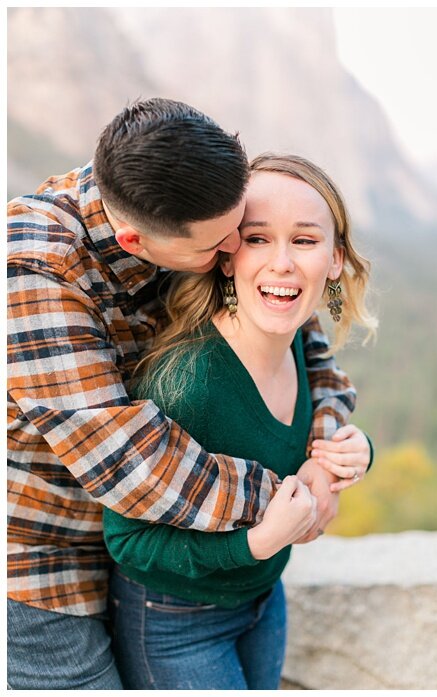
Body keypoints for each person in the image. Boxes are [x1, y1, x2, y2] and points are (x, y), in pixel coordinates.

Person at [6, 99, 362, 689]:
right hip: (43, 561)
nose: (235, 256)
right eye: (223, 246)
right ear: (134, 240)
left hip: (162, 559)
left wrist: (328, 453)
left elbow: (305, 342)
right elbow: (134, 466)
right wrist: (290, 502)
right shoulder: (35, 270)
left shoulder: (189, 198)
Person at [102, 153, 377, 689]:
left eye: (303, 240)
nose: (282, 263)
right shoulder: (188, 383)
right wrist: (253, 544)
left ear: (336, 259)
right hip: (173, 622)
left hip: (263, 601)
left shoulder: (296, 339)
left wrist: (352, 452)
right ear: (227, 256)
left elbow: (326, 409)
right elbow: (128, 542)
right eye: (257, 239)